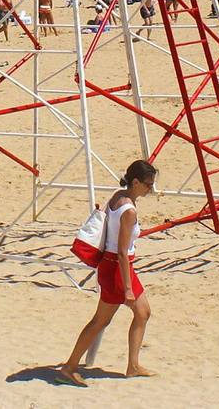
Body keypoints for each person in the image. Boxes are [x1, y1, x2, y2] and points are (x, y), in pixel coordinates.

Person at [58, 159, 158, 385]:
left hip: (114, 266)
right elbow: (122, 252)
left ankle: (133, 365)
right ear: (135, 182)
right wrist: (129, 288)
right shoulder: (129, 211)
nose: (150, 189)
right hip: (117, 268)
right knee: (100, 321)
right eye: (148, 184)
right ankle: (70, 366)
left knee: (142, 313)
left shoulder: (118, 196)